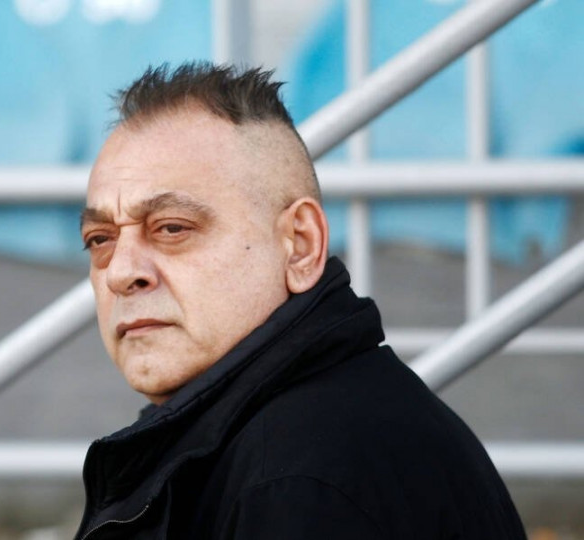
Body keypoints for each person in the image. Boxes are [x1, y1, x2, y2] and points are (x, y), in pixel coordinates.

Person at [74, 62, 525, 539]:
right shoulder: (289, 442)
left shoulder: (297, 483)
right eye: (100, 239)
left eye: (172, 228)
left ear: (301, 245)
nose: (120, 272)